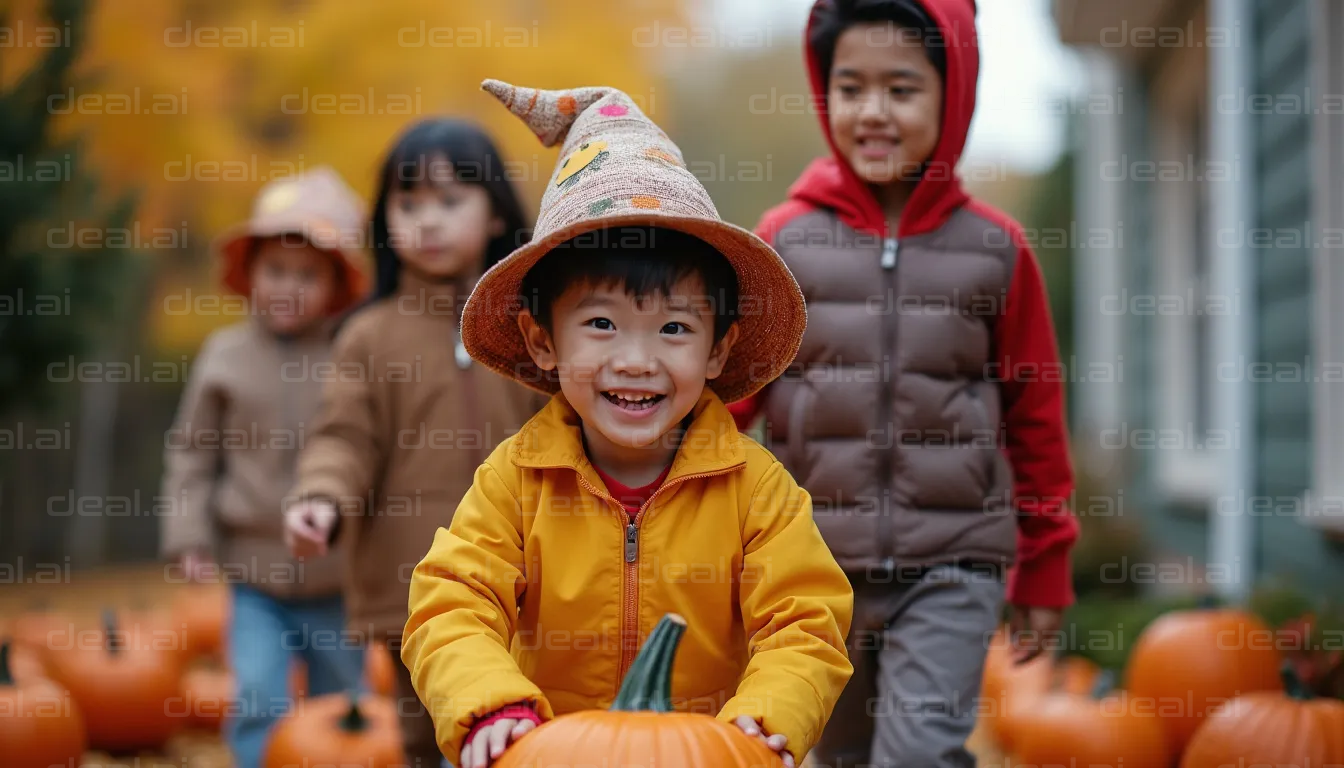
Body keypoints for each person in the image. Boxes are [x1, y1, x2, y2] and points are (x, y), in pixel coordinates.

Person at [399, 79, 855, 768]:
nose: (636, 361)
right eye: (602, 325)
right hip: (548, 751)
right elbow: (452, 603)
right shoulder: (514, 483)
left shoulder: (757, 491)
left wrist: (765, 721)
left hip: (704, 754)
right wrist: (491, 701)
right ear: (544, 341)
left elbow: (804, 623)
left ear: (719, 348)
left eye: (674, 327)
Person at [726, 1, 1081, 765]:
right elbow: (732, 396)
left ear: (952, 97)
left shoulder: (996, 249)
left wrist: (1044, 565)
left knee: (917, 752)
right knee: (842, 754)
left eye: (902, 88)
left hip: (952, 565)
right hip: (814, 568)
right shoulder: (785, 239)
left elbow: (1036, 418)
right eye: (851, 88)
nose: (873, 112)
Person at [283, 118, 541, 767]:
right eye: (408, 204)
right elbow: (343, 434)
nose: (426, 222)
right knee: (428, 741)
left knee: (527, 733)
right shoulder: (368, 336)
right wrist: (321, 496)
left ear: (494, 215)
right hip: (413, 588)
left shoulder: (530, 325)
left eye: (450, 201)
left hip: (530, 577)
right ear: (385, 219)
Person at [160, 167, 370, 768]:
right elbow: (192, 451)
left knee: (344, 699)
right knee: (256, 691)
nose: (288, 287)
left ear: (336, 285)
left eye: (308, 275)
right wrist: (189, 535)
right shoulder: (224, 357)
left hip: (336, 577)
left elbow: (366, 449)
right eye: (275, 271)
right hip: (252, 575)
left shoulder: (349, 354)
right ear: (249, 274)